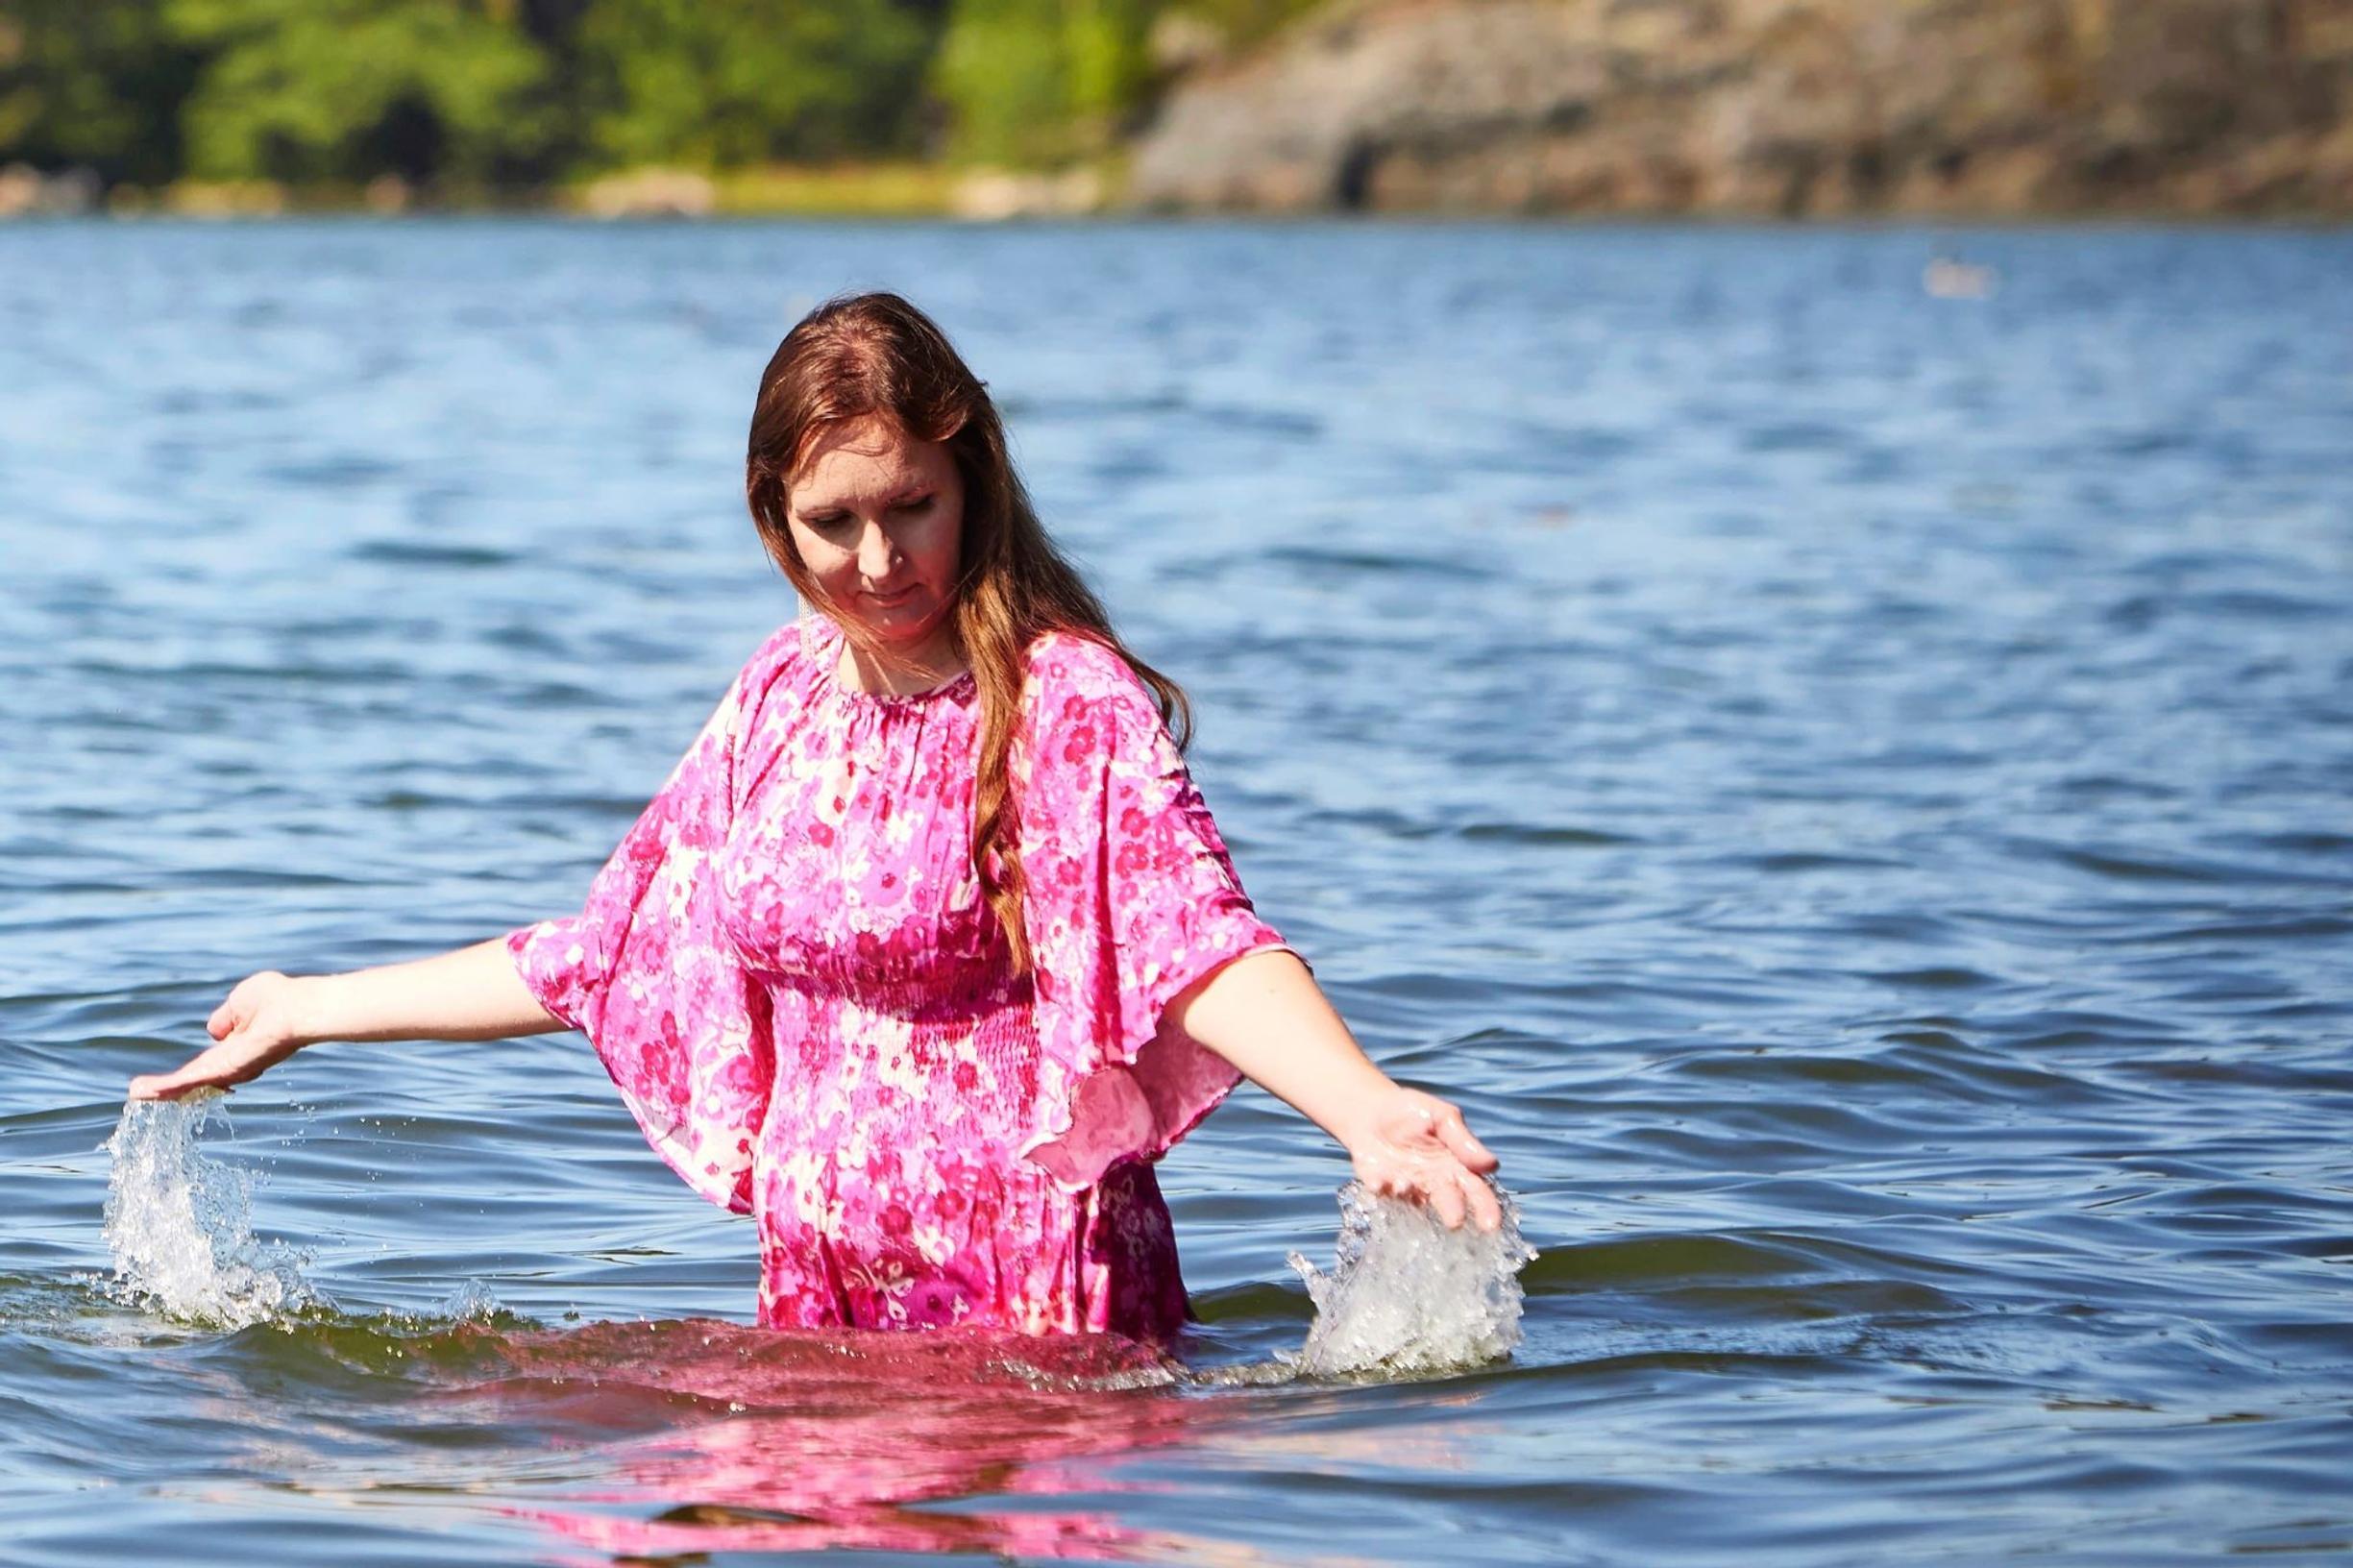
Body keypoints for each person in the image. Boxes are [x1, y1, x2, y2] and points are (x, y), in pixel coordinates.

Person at [128, 291, 1502, 1341]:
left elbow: (1193, 940)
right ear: (773, 520)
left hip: (1035, 1286)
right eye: (832, 521)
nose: (877, 559)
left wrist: (1363, 1108)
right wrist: (311, 1007)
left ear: (973, 484)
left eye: (912, 507)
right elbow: (609, 952)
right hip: (822, 1280)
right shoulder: (781, 692)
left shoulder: (1063, 699)